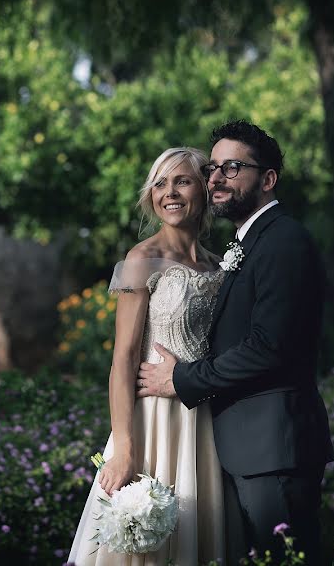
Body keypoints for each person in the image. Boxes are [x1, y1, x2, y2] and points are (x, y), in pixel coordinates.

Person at [136, 120, 334, 566]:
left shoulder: (284, 241)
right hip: (245, 446)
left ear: (267, 180)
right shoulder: (249, 242)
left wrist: (182, 378)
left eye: (231, 168)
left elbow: (269, 348)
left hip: (274, 446)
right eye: (212, 169)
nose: (216, 179)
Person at [67, 147, 226, 566]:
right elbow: (122, 359)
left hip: (207, 423)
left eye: (182, 181)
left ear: (205, 190)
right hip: (154, 422)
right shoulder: (142, 259)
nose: (169, 192)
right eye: (159, 183)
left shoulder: (220, 266)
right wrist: (124, 449)